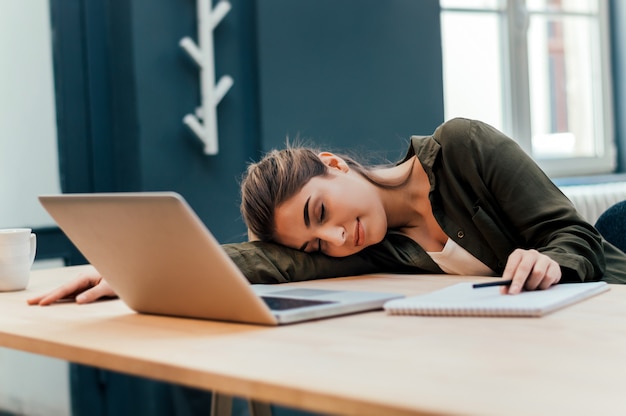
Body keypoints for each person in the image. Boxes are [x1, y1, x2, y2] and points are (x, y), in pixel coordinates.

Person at [27, 117, 626, 308]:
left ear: (334, 164)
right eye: (316, 243)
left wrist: (551, 262)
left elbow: (573, 235)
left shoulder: (463, 147)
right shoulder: (369, 248)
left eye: (320, 212)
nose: (337, 238)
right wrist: (141, 267)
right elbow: (270, 261)